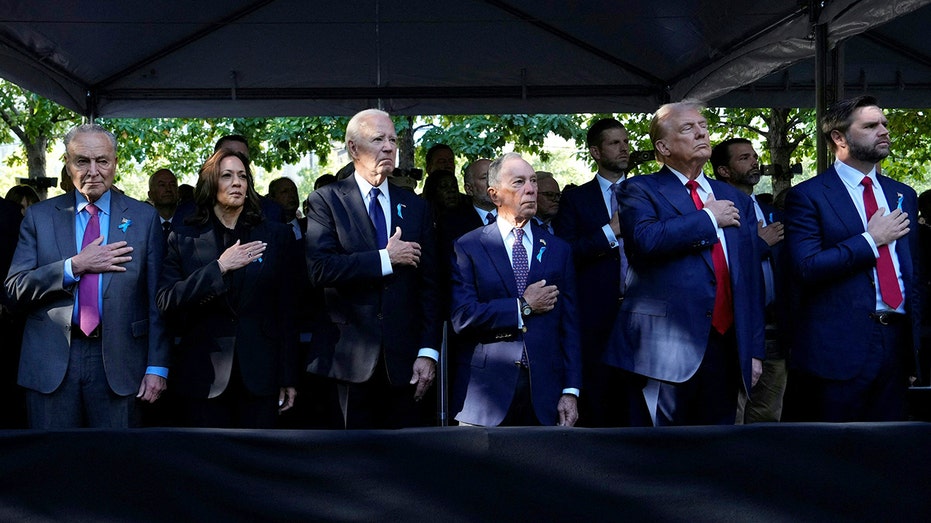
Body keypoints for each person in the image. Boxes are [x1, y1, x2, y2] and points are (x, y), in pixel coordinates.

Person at [605, 101, 765, 426]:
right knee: (665, 457)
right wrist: (708, 218)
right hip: (665, 349)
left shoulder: (737, 199)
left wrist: (754, 349)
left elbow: (750, 280)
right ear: (663, 147)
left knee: (717, 452)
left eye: (703, 125)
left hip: (727, 345)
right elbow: (646, 240)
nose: (701, 132)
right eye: (688, 128)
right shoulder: (639, 189)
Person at [5, 123, 169, 429]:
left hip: (120, 362)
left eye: (102, 161)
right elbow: (14, 290)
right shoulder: (40, 217)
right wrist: (73, 267)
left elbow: (156, 299)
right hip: (51, 362)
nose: (93, 171)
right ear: (68, 165)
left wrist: (157, 365)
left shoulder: (144, 219)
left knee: (115, 467)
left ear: (115, 163)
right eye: (82, 161)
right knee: (52, 467)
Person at [783, 95, 919, 422]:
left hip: (897, 344)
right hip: (838, 350)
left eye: (884, 123)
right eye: (871, 126)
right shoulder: (808, 196)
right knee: (837, 457)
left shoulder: (903, 194)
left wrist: (912, 350)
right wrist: (871, 240)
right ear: (839, 138)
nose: (884, 131)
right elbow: (805, 267)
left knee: (890, 455)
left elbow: (911, 272)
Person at [305, 108, 440, 429]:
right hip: (346, 361)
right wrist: (384, 258)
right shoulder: (326, 201)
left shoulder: (416, 207)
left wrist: (428, 351)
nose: (389, 147)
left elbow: (431, 287)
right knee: (349, 465)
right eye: (378, 139)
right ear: (353, 148)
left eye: (392, 139)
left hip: (404, 362)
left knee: (404, 465)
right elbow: (319, 269)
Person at [156, 148, 299, 428]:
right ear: (211, 184)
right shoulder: (183, 237)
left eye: (242, 176)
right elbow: (166, 300)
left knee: (258, 464)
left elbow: (288, 311)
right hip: (202, 377)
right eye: (227, 176)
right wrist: (219, 268)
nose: (237, 183)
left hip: (261, 376)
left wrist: (288, 376)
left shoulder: (276, 235)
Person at [450, 153, 581, 427]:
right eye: (519, 182)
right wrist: (522, 306)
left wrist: (570, 391)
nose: (531, 189)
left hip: (545, 395)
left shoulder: (559, 249)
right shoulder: (468, 246)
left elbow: (570, 326)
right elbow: (462, 317)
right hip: (486, 396)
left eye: (532, 181)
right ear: (494, 194)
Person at [552, 117, 632, 427]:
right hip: (596, 315)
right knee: (599, 401)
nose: (624, 148)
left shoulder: (647, 192)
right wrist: (610, 232)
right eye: (615, 143)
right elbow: (566, 252)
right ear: (596, 152)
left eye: (626, 141)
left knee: (638, 403)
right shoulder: (576, 198)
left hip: (645, 311)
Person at [711, 137, 788, 423]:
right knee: (733, 414)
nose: (755, 161)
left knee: (768, 415)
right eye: (744, 158)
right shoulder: (715, 212)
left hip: (774, 329)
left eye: (755, 156)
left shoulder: (772, 214)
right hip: (735, 329)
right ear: (724, 170)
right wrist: (760, 245)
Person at [147, 168, 180, 238]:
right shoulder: (144, 226)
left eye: (172, 185)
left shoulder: (189, 223)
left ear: (178, 192)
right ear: (150, 195)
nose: (168, 189)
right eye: (162, 185)